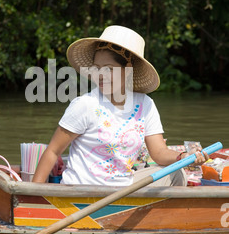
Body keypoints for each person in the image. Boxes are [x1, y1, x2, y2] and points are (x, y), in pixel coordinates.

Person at [32, 25, 209, 186]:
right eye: (96, 68)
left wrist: (185, 156)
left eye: (108, 68)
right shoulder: (85, 105)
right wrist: (33, 195)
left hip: (124, 188)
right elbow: (53, 152)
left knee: (176, 174)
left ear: (128, 69)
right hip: (83, 191)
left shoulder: (145, 104)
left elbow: (159, 153)